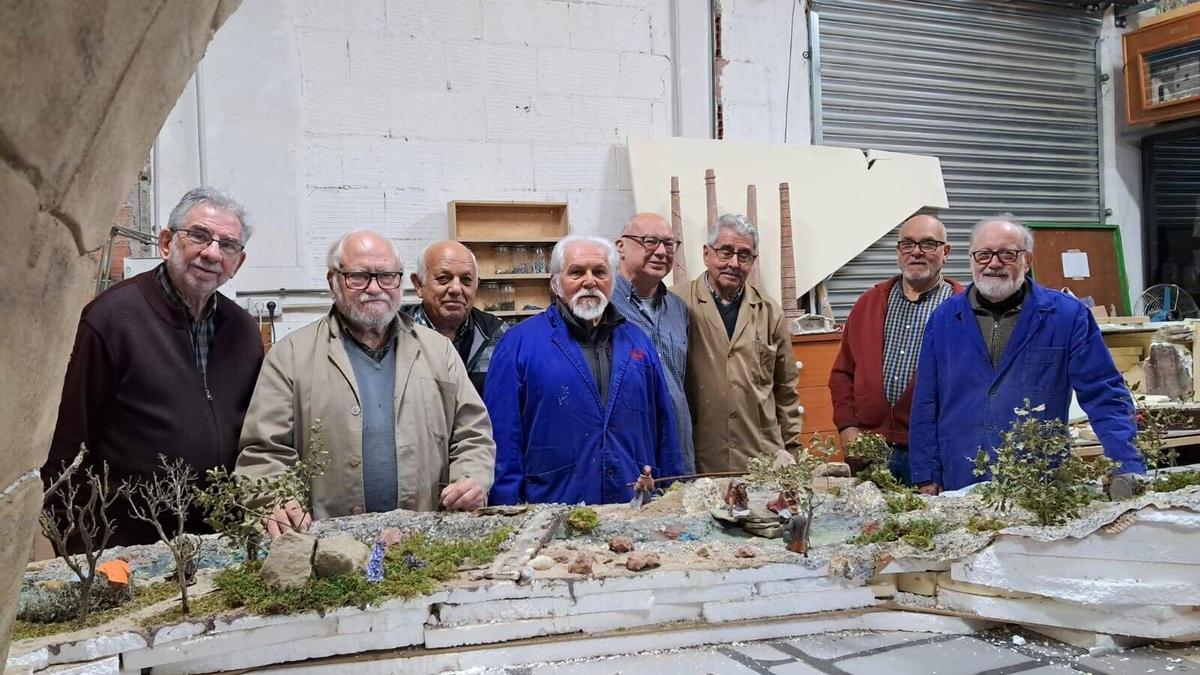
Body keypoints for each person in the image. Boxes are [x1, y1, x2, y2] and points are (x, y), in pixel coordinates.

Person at [235, 229, 495, 536]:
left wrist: (471, 478)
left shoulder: (439, 351)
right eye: (358, 276)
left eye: (387, 276)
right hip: (326, 542)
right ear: (333, 281)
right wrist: (276, 499)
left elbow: (472, 434)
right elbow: (265, 451)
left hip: (424, 538)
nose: (375, 288)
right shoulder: (290, 355)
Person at [43, 187, 263, 549]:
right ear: (165, 243)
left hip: (220, 538)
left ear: (237, 263)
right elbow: (67, 445)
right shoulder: (110, 320)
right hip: (125, 546)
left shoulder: (243, 331)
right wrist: (81, 544)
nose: (212, 253)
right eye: (199, 235)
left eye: (227, 245)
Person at [909, 216, 1146, 494]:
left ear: (1027, 260)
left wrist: (1126, 464)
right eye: (983, 254)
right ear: (971, 259)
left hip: (1039, 482)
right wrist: (926, 474)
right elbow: (926, 401)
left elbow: (1104, 393)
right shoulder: (944, 319)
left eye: (1007, 254)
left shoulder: (1066, 316)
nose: (993, 263)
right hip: (960, 476)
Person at [485, 235, 683, 505]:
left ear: (612, 281)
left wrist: (672, 499)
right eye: (576, 272)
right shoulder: (517, 345)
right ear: (555, 283)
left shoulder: (639, 342)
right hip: (553, 507)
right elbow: (502, 440)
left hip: (631, 505)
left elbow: (665, 429)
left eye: (600, 272)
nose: (589, 281)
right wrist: (504, 509)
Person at [829, 214, 964, 485]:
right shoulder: (869, 303)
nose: (916, 252)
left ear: (946, 252)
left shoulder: (963, 310)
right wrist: (847, 427)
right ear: (898, 251)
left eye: (928, 244)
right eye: (907, 244)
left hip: (932, 454)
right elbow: (843, 373)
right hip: (869, 451)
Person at [674, 213, 803, 474]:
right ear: (706, 253)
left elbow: (786, 389)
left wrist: (792, 449)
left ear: (753, 261)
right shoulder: (677, 304)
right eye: (725, 252)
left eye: (744, 255)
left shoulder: (769, 311)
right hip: (700, 457)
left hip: (761, 458)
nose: (734, 263)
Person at [611, 212, 695, 474]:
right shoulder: (602, 307)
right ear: (620, 246)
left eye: (669, 244)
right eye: (649, 241)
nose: (661, 252)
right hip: (628, 456)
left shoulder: (678, 309)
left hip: (678, 453)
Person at [402, 240, 507, 394]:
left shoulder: (498, 336)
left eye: (466, 280)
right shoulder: (396, 334)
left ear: (476, 285)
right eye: (443, 278)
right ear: (418, 284)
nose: (456, 289)